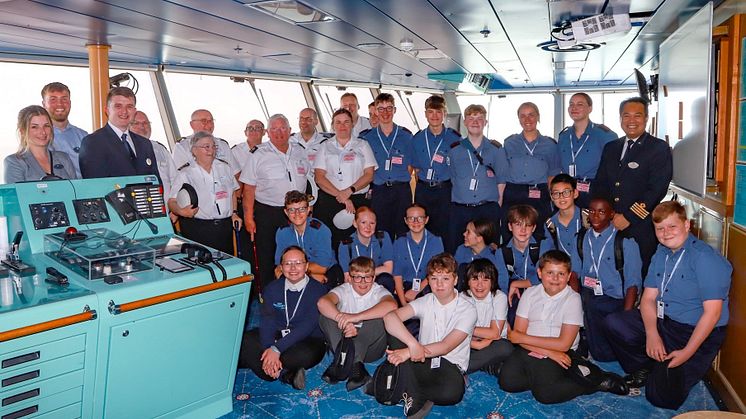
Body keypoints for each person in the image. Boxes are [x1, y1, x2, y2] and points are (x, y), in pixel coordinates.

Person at [604, 201, 731, 410]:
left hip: (696, 330)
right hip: (666, 321)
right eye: (660, 228)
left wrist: (687, 353)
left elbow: (713, 314)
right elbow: (647, 299)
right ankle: (649, 367)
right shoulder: (661, 253)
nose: (666, 233)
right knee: (615, 323)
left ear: (687, 225)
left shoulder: (704, 258)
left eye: (672, 226)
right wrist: (652, 334)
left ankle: (662, 372)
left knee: (660, 398)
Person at [499, 250, 627, 404]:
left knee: (545, 395)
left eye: (561, 274)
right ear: (539, 273)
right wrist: (548, 352)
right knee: (508, 383)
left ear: (568, 276)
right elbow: (515, 336)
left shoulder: (572, 298)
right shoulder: (530, 294)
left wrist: (525, 340)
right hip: (532, 348)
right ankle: (556, 375)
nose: (555, 278)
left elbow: (563, 343)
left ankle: (594, 381)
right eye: (550, 272)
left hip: (562, 351)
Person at [378, 253, 477, 417]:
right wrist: (412, 344)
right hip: (421, 359)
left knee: (452, 394)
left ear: (455, 280)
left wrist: (408, 352)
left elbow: (445, 347)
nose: (439, 284)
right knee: (395, 332)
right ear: (428, 281)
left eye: (445, 278)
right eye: (434, 278)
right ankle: (413, 390)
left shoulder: (468, 309)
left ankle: (407, 384)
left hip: (449, 365)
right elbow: (390, 317)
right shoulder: (426, 300)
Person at [591, 97, 673, 275]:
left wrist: (628, 216)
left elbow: (656, 190)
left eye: (637, 115)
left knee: (639, 271)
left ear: (646, 118)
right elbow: (600, 184)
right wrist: (606, 215)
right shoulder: (611, 147)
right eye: (626, 116)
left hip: (640, 226)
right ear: (620, 119)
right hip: (610, 223)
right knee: (611, 270)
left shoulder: (658, 148)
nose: (631, 121)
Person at [238, 246, 327, 390]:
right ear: (281, 267)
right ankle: (284, 374)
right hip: (277, 335)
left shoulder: (319, 290)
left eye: (298, 263)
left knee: (306, 355)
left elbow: (307, 326)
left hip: (307, 339)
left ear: (307, 266)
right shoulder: (272, 288)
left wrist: (277, 349)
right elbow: (267, 320)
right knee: (245, 340)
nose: (293, 268)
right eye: (287, 263)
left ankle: (266, 366)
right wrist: (269, 349)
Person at [240, 114, 310, 290]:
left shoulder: (300, 151)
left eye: (283, 128)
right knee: (268, 255)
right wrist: (249, 218)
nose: (279, 133)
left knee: (297, 253)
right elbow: (248, 189)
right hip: (268, 213)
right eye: (274, 129)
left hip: (296, 213)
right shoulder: (258, 154)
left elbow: (309, 180)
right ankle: (269, 293)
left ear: (290, 130)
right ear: (268, 132)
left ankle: (297, 290)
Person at [317, 256, 397, 391]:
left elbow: (392, 305)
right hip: (343, 341)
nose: (363, 282)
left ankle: (341, 364)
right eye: (357, 277)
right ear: (350, 278)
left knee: (381, 317)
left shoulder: (378, 290)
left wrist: (355, 318)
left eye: (368, 277)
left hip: (370, 349)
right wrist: (342, 320)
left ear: (374, 278)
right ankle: (355, 367)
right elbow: (322, 302)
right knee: (325, 317)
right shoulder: (344, 289)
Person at [577, 197, 641, 361]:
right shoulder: (582, 238)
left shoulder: (625, 242)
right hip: (588, 293)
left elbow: (632, 283)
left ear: (611, 214)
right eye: (592, 211)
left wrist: (626, 318)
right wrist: (573, 299)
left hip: (615, 299)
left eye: (601, 212)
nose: (595, 216)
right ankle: (585, 341)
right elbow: (574, 273)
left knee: (605, 354)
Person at [167, 131, 242, 255]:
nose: (211, 150)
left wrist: (234, 212)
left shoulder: (225, 168)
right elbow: (172, 201)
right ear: (194, 150)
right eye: (206, 147)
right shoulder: (185, 173)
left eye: (213, 146)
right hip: (199, 228)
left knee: (227, 265)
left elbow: (232, 192)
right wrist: (181, 211)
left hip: (224, 227)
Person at [447, 104, 507, 254]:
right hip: (461, 209)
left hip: (487, 209)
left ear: (485, 123)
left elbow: (501, 180)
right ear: (465, 122)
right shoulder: (454, 150)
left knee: (489, 249)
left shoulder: (496, 149)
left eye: (480, 118)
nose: (475, 122)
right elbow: (453, 178)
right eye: (471, 118)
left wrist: (496, 207)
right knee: (458, 249)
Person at [314, 108, 376, 248]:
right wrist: (341, 196)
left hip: (357, 200)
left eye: (346, 122)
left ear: (352, 124)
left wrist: (349, 191)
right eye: (338, 122)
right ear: (333, 125)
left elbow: (369, 175)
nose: (342, 126)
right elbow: (319, 177)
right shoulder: (325, 146)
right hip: (330, 200)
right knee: (331, 242)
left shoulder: (362, 145)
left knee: (357, 241)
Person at [501, 102, 560, 241]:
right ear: (519, 119)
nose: (527, 120)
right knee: (511, 235)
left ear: (538, 117)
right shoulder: (509, 143)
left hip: (539, 194)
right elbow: (503, 173)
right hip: (514, 193)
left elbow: (552, 174)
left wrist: (553, 200)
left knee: (539, 234)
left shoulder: (550, 145)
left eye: (531, 115)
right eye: (523, 116)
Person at [361, 93, 414, 238]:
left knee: (404, 231)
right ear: (376, 111)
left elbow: (410, 166)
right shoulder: (367, 137)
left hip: (401, 191)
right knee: (381, 233)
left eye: (389, 108)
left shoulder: (406, 136)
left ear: (395, 110)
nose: (385, 113)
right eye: (381, 109)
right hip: (380, 191)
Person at [78, 87, 160, 179]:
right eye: (118, 106)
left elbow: (156, 182)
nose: (124, 112)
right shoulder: (93, 142)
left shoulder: (145, 144)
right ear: (107, 110)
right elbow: (96, 186)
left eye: (129, 107)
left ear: (134, 111)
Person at [411, 95, 460, 242]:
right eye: (431, 111)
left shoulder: (455, 138)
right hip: (424, 190)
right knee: (422, 229)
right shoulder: (417, 139)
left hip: (445, 190)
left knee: (446, 230)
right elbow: (415, 168)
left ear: (444, 113)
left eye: (439, 112)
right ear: (426, 114)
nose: (435, 116)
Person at [557, 93, 617, 208]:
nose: (574, 108)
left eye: (580, 104)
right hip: (568, 190)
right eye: (571, 104)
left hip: (595, 190)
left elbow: (613, 169)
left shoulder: (605, 135)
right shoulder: (564, 136)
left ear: (590, 108)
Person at [497, 205, 554, 326]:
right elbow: (502, 283)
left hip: (543, 290)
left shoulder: (543, 245)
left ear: (533, 228)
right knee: (512, 318)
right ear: (509, 226)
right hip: (517, 293)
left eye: (527, 225)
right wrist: (503, 308)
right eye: (518, 224)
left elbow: (548, 277)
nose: (523, 230)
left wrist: (518, 283)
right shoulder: (502, 252)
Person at [274, 190, 342, 288]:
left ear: (308, 210)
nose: (297, 214)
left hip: (327, 270)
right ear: (286, 212)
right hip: (304, 272)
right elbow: (279, 268)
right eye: (292, 210)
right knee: (279, 277)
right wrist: (311, 276)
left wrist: (297, 272)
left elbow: (322, 268)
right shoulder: (282, 232)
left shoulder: (320, 230)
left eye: (302, 209)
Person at [461, 258, 513, 375]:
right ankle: (487, 365)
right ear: (468, 281)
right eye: (474, 279)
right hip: (469, 342)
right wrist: (476, 344)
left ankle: (461, 366)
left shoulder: (499, 297)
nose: (480, 285)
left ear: (492, 282)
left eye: (485, 279)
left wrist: (467, 330)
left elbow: (494, 333)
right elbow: (453, 332)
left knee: (505, 348)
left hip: (494, 343)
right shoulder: (461, 298)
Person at [4, 105, 77, 183]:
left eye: (46, 126)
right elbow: (16, 194)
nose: (43, 132)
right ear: (22, 131)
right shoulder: (15, 162)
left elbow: (76, 192)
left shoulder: (63, 158)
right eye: (34, 127)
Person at [391, 203, 444, 306]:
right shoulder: (399, 242)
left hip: (427, 285)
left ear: (426, 219)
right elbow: (397, 275)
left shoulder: (436, 241)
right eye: (411, 218)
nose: (415, 222)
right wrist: (403, 303)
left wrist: (416, 290)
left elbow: (438, 270)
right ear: (406, 221)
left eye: (420, 218)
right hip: (404, 288)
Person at [130, 111, 178, 213]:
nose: (142, 127)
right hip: (136, 216)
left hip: (166, 215)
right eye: (136, 123)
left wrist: (175, 210)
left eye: (145, 123)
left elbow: (175, 180)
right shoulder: (123, 151)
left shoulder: (161, 149)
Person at [231, 119, 264, 263]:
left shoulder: (269, 150)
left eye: (258, 128)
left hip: (263, 202)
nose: (253, 130)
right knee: (246, 244)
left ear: (264, 132)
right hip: (242, 201)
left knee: (263, 240)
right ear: (245, 132)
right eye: (250, 128)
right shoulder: (235, 152)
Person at [172, 109, 240, 175]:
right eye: (204, 121)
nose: (209, 125)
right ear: (192, 125)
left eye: (211, 121)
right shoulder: (182, 147)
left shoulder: (222, 144)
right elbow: (180, 176)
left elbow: (236, 173)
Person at [337, 206, 394, 286]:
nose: (368, 227)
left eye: (372, 223)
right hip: (356, 284)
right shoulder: (345, 244)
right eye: (363, 222)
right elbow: (347, 277)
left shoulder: (383, 238)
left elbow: (388, 269)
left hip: (376, 281)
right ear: (355, 223)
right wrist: (364, 277)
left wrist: (364, 275)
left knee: (386, 279)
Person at [41, 82, 88, 178]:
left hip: (83, 191)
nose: (60, 104)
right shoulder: (39, 137)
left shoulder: (83, 136)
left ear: (70, 103)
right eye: (53, 99)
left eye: (64, 99)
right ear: (44, 104)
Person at [544, 174, 583, 288]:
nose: (561, 197)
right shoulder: (549, 224)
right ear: (551, 197)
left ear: (575, 193)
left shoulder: (588, 219)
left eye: (566, 192)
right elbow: (547, 254)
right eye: (556, 193)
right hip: (561, 276)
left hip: (587, 275)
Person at [454, 218, 499, 291]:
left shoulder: (493, 257)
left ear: (479, 238)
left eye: (468, 232)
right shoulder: (461, 250)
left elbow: (499, 284)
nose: (464, 234)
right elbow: (453, 272)